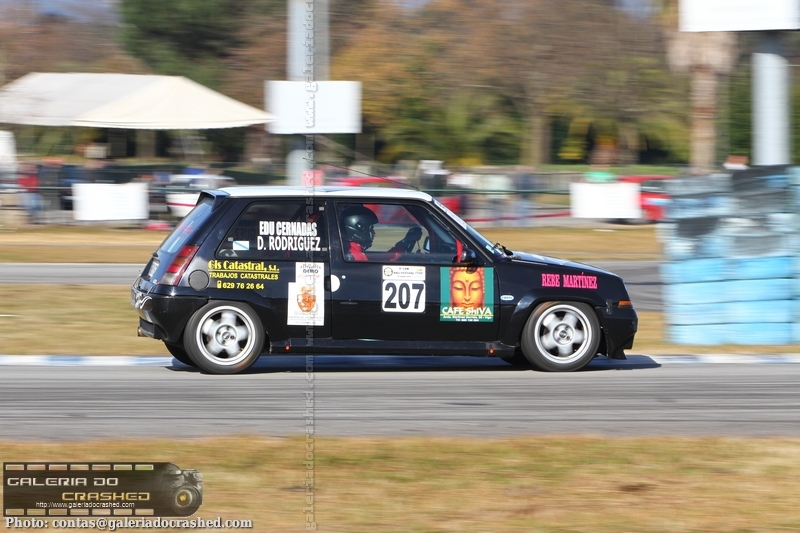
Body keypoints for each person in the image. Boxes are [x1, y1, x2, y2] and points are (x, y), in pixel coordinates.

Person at [339, 204, 423, 261]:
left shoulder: (351, 250)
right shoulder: (356, 256)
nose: (374, 234)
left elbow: (381, 258)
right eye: (371, 229)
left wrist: (405, 243)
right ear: (360, 228)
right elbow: (377, 265)